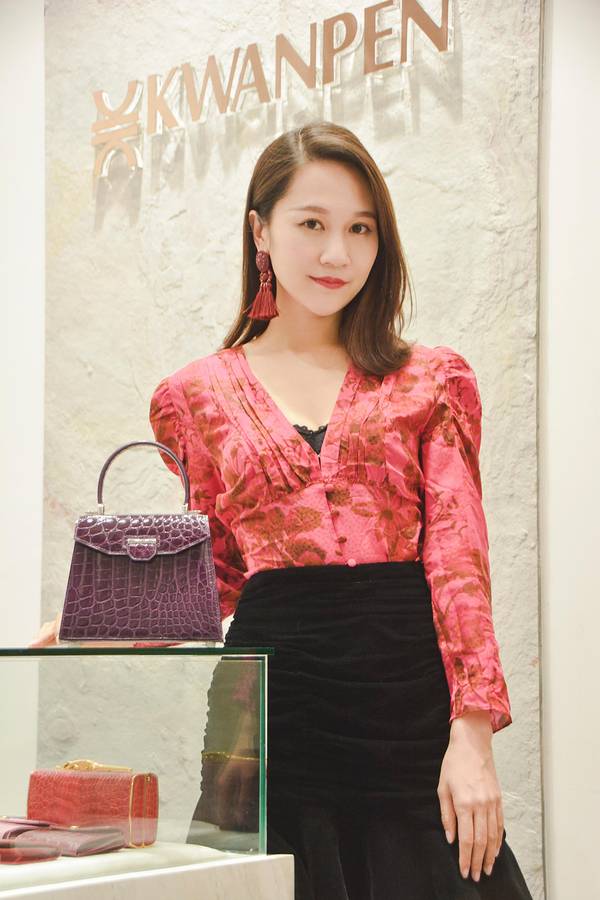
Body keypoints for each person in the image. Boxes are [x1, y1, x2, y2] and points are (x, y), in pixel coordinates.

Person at [32, 121, 533, 900]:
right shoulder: (193, 397)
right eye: (312, 224)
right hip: (268, 709)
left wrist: (472, 736)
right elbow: (220, 576)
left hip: (404, 700)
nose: (338, 253)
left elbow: (459, 562)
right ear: (260, 231)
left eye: (360, 229)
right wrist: (100, 618)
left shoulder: (431, 380)